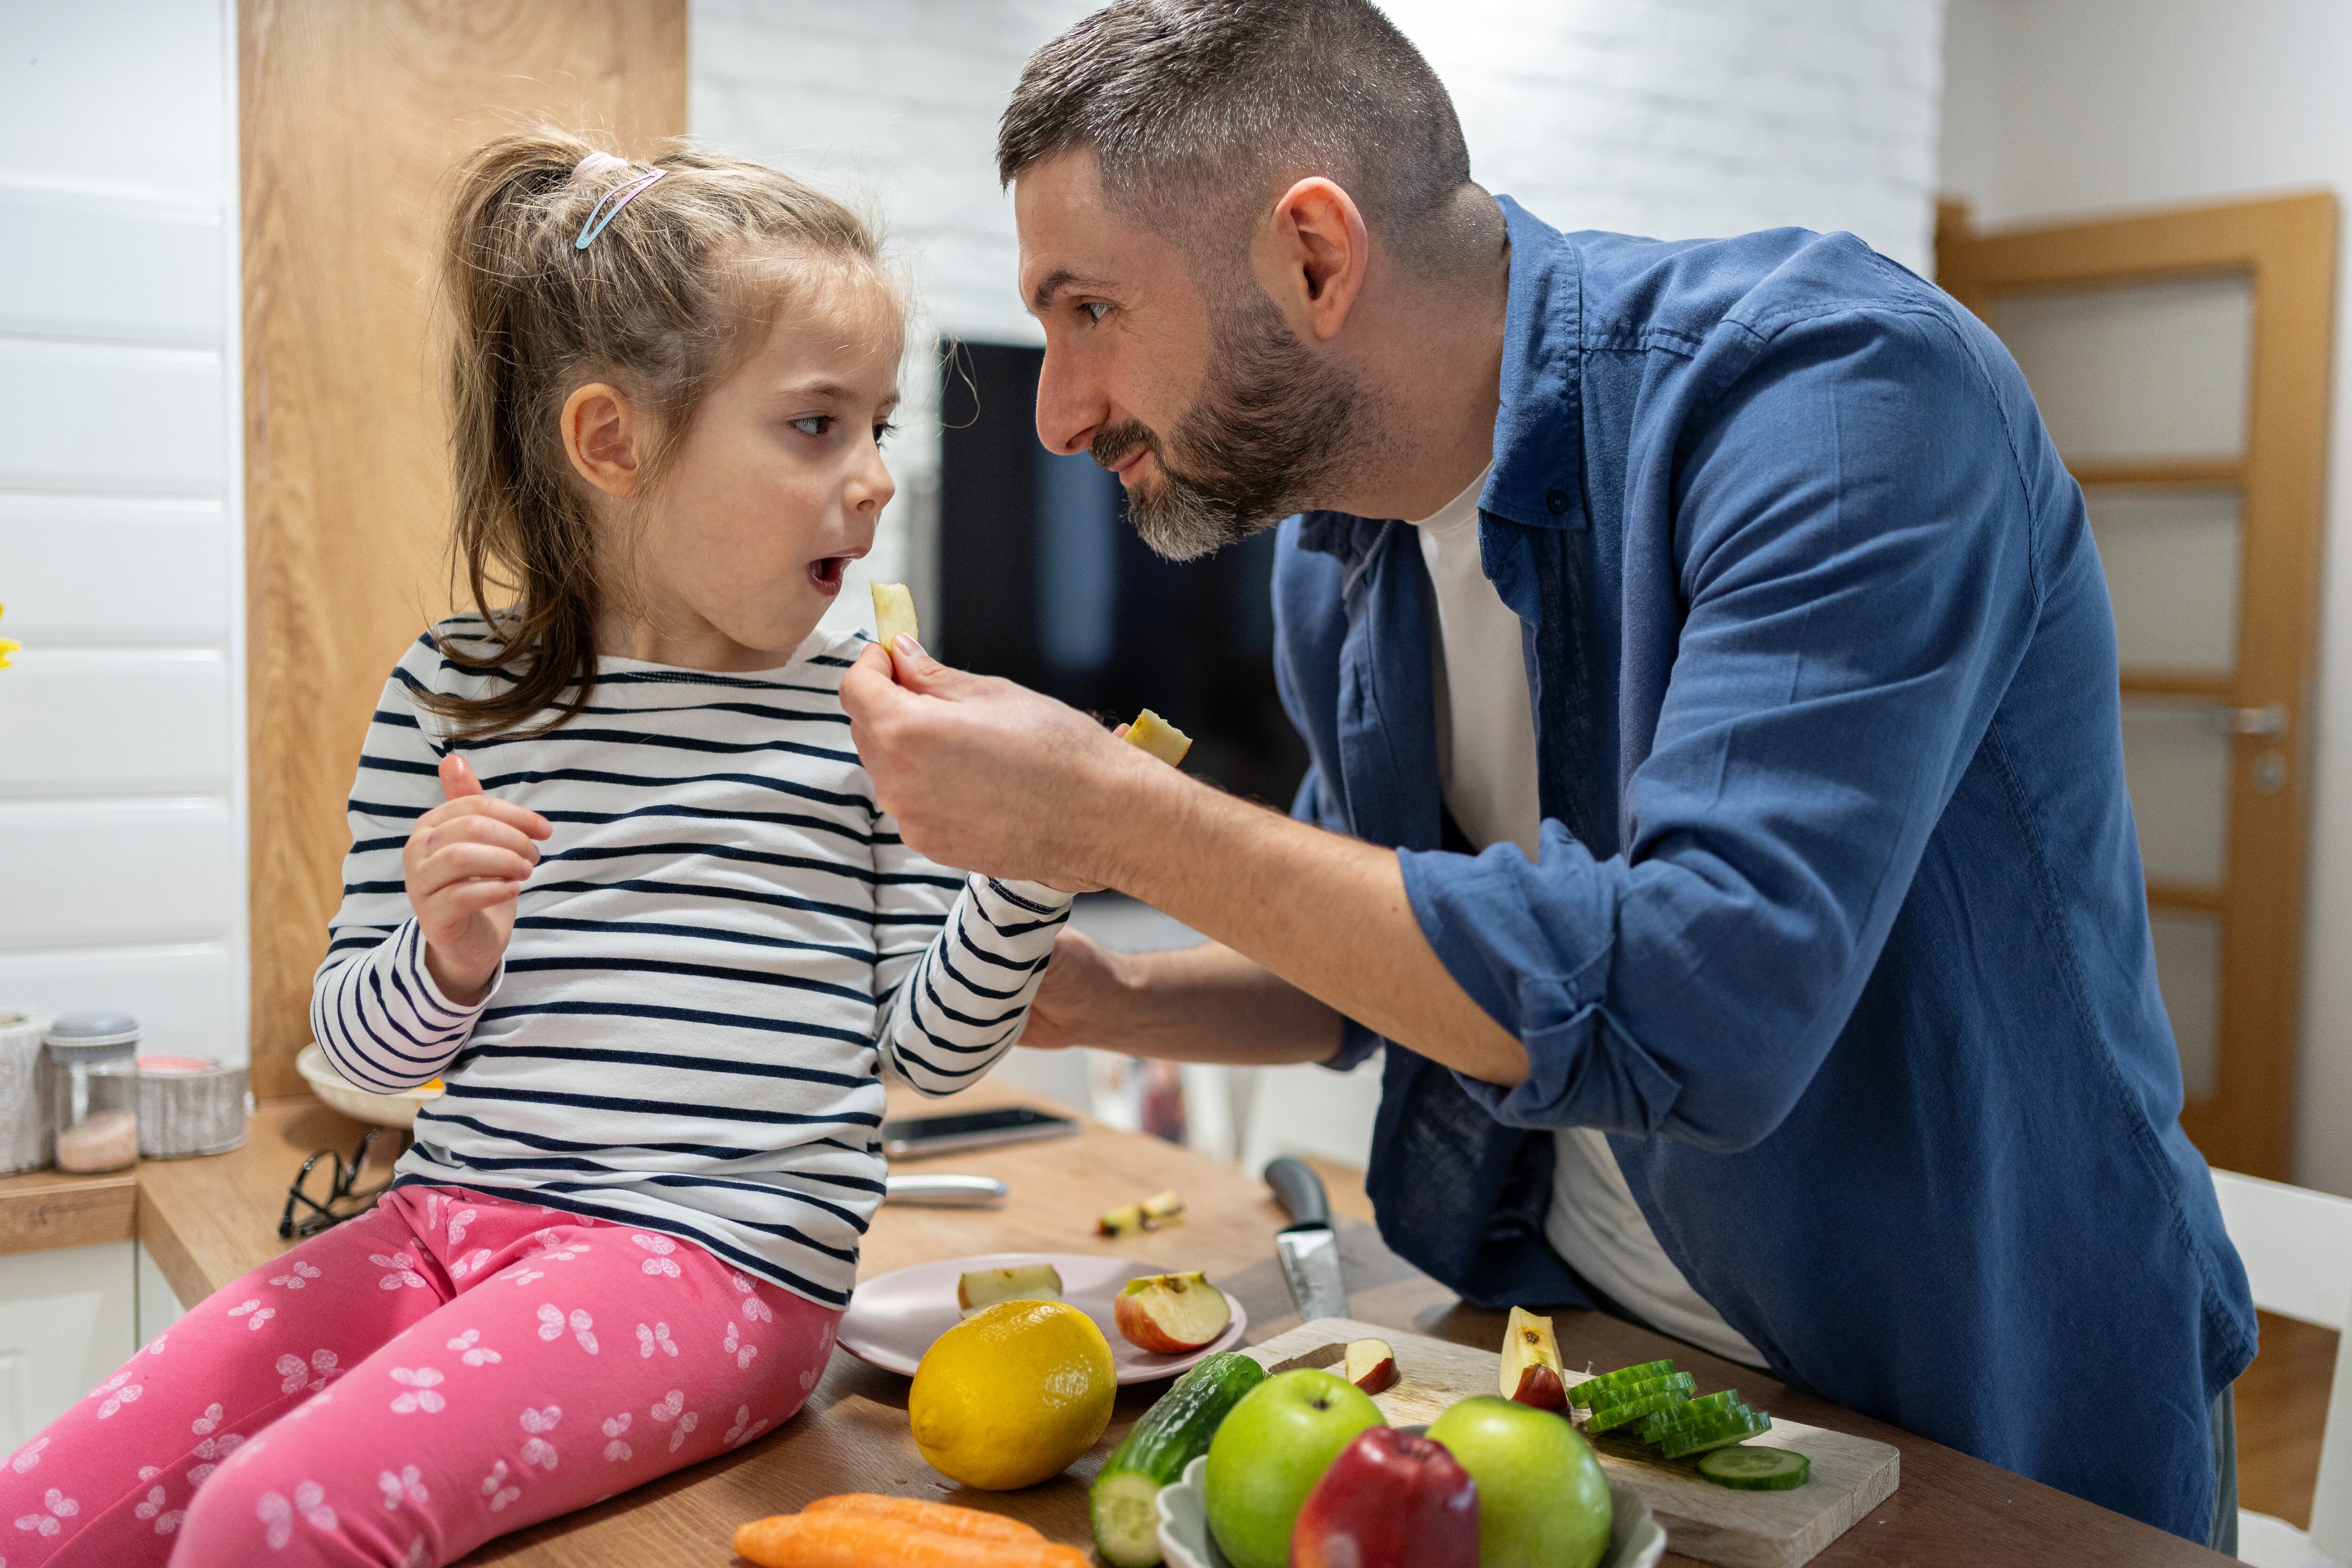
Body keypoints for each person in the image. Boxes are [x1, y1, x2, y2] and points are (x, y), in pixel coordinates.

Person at [841, 0, 2253, 1547]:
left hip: (1967, 1390)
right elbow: (1370, 953)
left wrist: (1109, 813)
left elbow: (1701, 1004)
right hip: (1571, 1350)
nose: (1058, 413)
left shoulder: (1841, 400)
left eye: (1088, 310)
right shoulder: (1337, 554)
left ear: (1313, 256)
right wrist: (1110, 1000)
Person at [0, 133, 1069, 1568]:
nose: (875, 480)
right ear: (614, 443)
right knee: (39, 1513)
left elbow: (930, 1054)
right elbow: (359, 1057)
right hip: (442, 1221)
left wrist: (1035, 863)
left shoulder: (877, 723)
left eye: (879, 424)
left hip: (720, 1267)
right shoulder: (446, 693)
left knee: (272, 1523)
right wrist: (442, 960)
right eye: (819, 425)